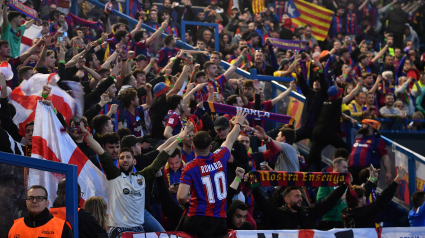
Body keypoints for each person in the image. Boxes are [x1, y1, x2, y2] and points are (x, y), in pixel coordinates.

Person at [81, 121, 191, 237]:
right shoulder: (114, 175)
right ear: (118, 162)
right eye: (122, 157)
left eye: (128, 157)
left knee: (163, 235)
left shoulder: (142, 176)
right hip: (120, 225)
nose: (125, 160)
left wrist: (179, 139)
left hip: (141, 217)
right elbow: (100, 151)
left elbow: (162, 156)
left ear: (134, 161)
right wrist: (86, 134)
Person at [176, 110, 247, 238]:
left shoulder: (190, 167)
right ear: (210, 147)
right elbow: (230, 140)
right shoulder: (220, 157)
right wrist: (238, 124)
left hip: (198, 218)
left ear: (193, 147)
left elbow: (181, 197)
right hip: (219, 219)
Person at [306, 79, 361, 172]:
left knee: (311, 157)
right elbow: (351, 95)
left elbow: (339, 114)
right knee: (346, 149)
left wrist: (349, 118)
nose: (341, 94)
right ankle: (346, 171)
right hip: (327, 132)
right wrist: (359, 84)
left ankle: (297, 175)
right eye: (340, 93)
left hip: (317, 132)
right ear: (337, 95)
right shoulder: (336, 102)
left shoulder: (326, 102)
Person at [251, 183, 347, 229]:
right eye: (297, 196)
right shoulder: (279, 214)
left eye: (300, 196)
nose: (300, 198)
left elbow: (327, 203)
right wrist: (253, 186)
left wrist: (343, 186)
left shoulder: (309, 212)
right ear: (287, 200)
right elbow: (264, 204)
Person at [342, 166, 407, 228]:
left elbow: (365, 192)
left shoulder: (346, 212)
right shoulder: (364, 214)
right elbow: (382, 199)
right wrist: (398, 179)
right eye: (364, 196)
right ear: (359, 199)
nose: (365, 197)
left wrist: (371, 180)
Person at [8, 185, 73, 238]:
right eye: (30, 198)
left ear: (47, 203)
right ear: (26, 202)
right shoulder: (14, 226)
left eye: (39, 198)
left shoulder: (62, 227)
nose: (34, 201)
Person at [348, 119, 392, 185]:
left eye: (364, 124)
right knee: (351, 192)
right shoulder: (357, 138)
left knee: (368, 192)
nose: (361, 125)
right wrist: (346, 168)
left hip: (369, 172)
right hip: (352, 171)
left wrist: (389, 172)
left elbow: (385, 157)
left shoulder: (378, 140)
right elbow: (351, 154)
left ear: (370, 127)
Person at [317, 157, 348, 230]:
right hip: (329, 222)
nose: (346, 170)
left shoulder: (346, 183)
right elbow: (320, 201)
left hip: (344, 221)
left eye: (346, 167)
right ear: (336, 166)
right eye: (344, 167)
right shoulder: (326, 183)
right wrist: (339, 199)